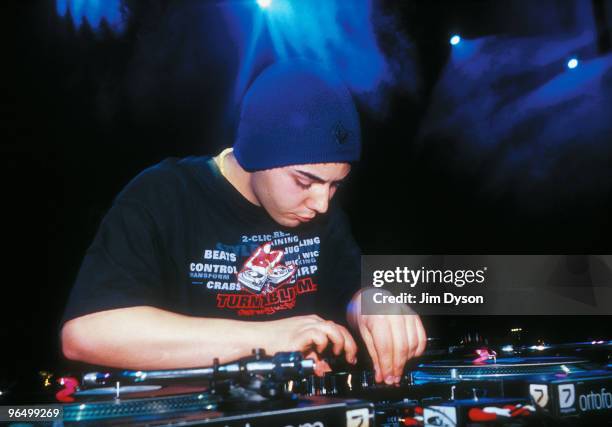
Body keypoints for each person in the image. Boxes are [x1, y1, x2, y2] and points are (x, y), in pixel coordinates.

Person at [61, 61, 427, 385]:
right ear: (256, 153)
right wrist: (268, 338)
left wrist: (377, 304)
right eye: (304, 181)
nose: (321, 203)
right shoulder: (163, 196)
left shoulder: (319, 214)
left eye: (335, 185)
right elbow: (87, 334)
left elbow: (352, 287)